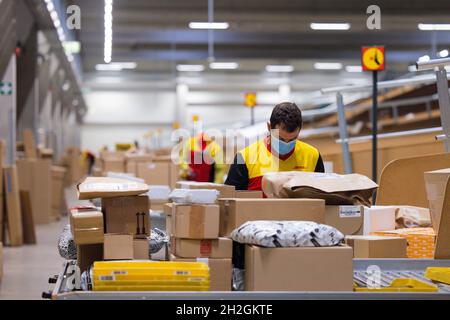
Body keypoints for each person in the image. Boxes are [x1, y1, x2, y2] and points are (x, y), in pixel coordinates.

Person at [225, 102, 324, 191]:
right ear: (269, 126)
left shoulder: (313, 156)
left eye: (292, 140)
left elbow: (321, 197)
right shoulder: (245, 158)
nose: (286, 143)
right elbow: (230, 201)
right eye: (280, 139)